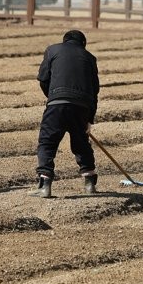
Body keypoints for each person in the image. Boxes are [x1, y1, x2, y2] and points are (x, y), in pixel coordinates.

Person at [34, 30, 100, 198]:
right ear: (83, 44)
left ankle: (44, 185)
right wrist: (89, 120)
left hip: (57, 104)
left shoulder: (52, 50)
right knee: (81, 143)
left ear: (64, 41)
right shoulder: (90, 58)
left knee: (47, 142)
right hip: (82, 106)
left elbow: (43, 78)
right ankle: (90, 183)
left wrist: (53, 96)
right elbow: (95, 91)